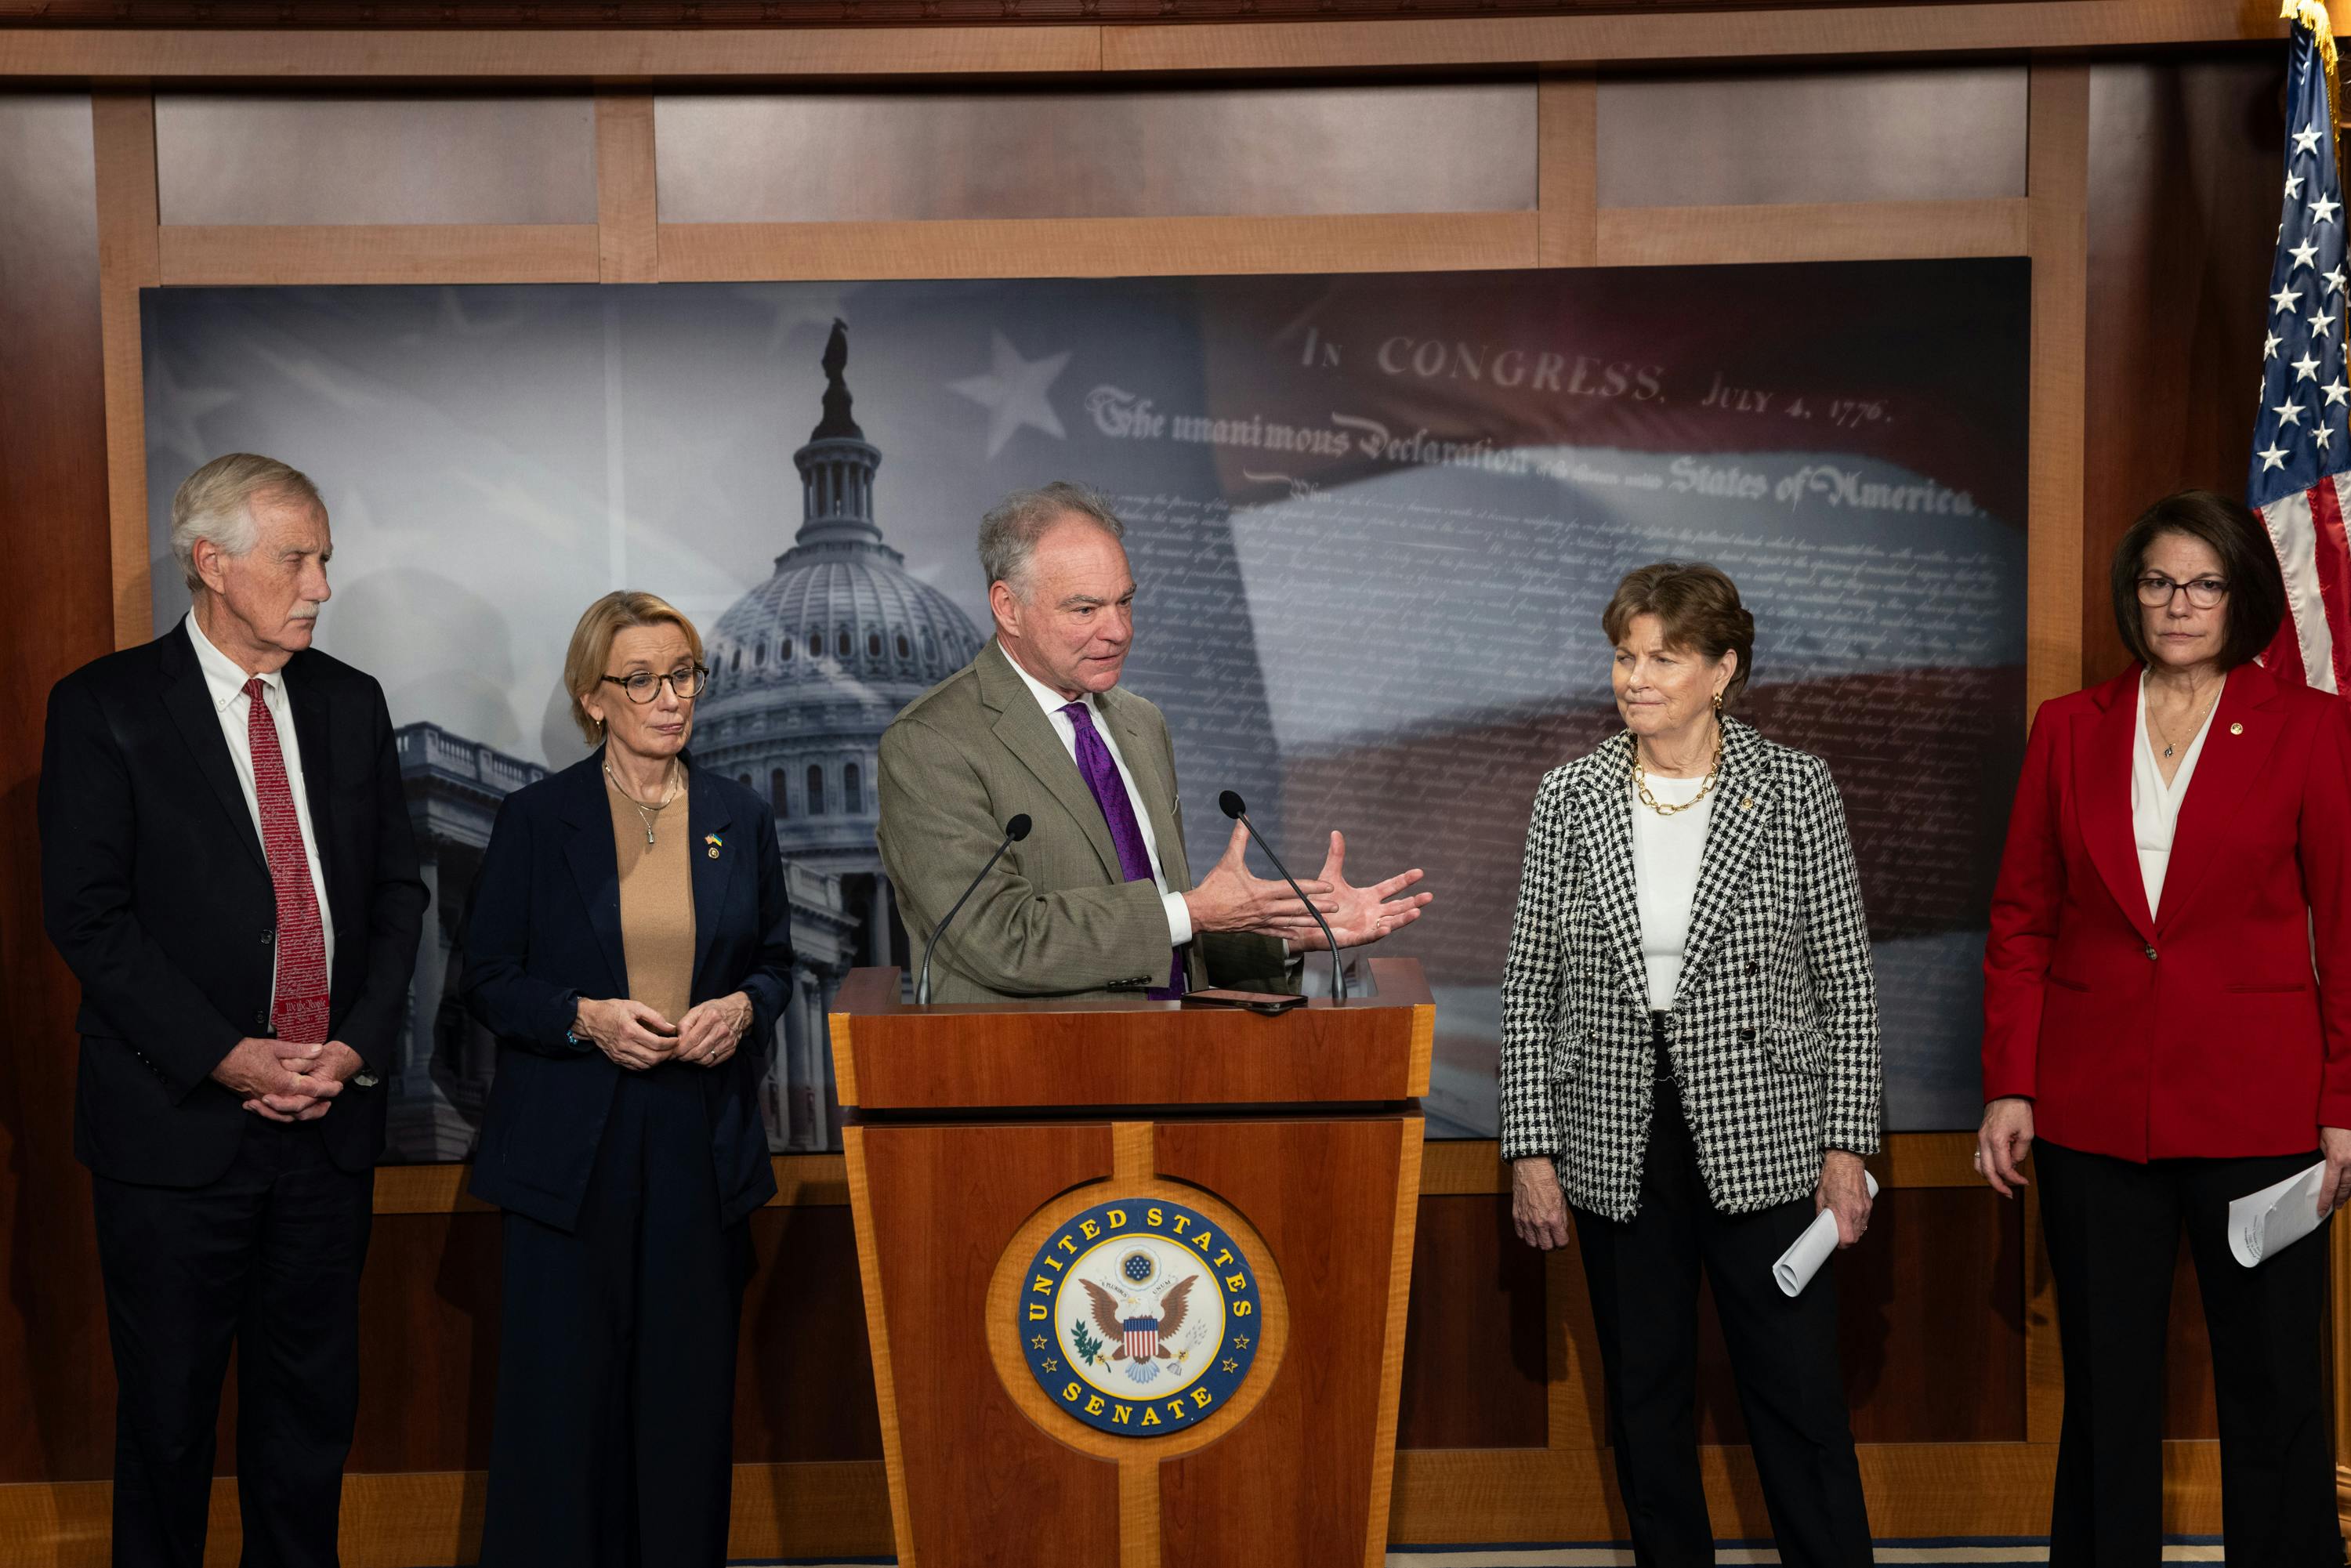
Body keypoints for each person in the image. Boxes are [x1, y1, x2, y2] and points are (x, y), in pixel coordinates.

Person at [38, 452, 428, 1567]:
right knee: (166, 1425)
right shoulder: (104, 708)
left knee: (309, 1422)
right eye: (297, 557)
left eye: (325, 560)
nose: (320, 584)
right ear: (212, 562)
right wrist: (226, 1055)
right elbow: (90, 920)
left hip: (327, 1124)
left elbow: (397, 893)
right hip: (175, 1129)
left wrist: (350, 1044)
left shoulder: (351, 704)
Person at [1977, 488, 2351, 1566]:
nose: (2178, 603)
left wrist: (2342, 1105)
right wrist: (2013, 1082)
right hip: (2092, 1117)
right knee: (2106, 1392)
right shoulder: (2069, 727)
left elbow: (2347, 925)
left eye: (2203, 582)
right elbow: (2021, 920)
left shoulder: (2312, 728)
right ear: (2130, 596)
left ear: (2241, 597)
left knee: (2275, 1386)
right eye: (2157, 581)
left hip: (2264, 1115)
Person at [1498, 562, 1879, 1567]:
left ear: (1722, 670)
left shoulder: (1794, 789)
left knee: (1798, 1405)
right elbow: (1530, 986)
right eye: (1625, 655)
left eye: (1664, 657)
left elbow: (1847, 984)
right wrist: (1532, 1151)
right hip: (1618, 1142)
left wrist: (1848, 1147)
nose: (1636, 677)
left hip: (1768, 1138)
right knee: (1646, 1404)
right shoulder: (1570, 797)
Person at [460, 591, 794, 1568]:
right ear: (592, 697)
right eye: (640, 680)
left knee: (686, 1407)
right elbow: (487, 979)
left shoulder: (741, 815)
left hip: (700, 1141)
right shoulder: (536, 817)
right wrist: (584, 1018)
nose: (669, 698)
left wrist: (744, 1008)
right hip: (572, 1151)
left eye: (683, 673)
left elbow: (774, 962)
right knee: (563, 1409)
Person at [875, 480, 1429, 1002]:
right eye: (1085, 608)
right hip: (1034, 1086)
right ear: (1007, 607)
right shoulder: (931, 743)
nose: (1118, 630)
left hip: (1171, 1074)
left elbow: (1168, 934)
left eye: (1125, 601)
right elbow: (1002, 938)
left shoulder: (1141, 724)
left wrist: (1290, 933)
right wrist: (1195, 909)